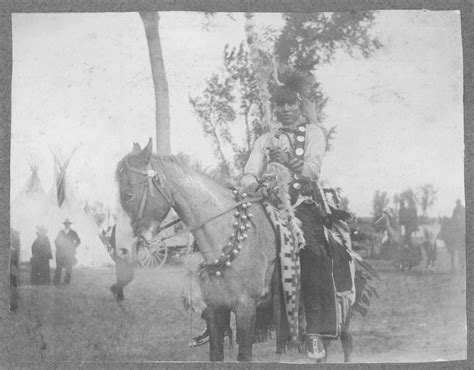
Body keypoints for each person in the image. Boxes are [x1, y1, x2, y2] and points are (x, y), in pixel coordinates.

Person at [241, 69, 336, 360]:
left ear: (300, 104)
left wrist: (289, 161)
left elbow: (312, 171)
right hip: (267, 206)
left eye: (290, 104)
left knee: (310, 253)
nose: (284, 110)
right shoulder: (264, 139)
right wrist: (254, 184)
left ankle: (315, 334)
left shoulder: (313, 133)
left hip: (301, 207)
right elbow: (248, 173)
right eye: (279, 105)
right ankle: (222, 317)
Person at [53, 218, 81, 285]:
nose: (67, 225)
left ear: (70, 225)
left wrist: (73, 247)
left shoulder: (73, 233)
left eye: (68, 224)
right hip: (61, 252)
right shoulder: (61, 232)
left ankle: (67, 281)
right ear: (64, 224)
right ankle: (57, 281)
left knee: (69, 267)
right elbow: (56, 241)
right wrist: (59, 247)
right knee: (59, 266)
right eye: (66, 224)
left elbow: (78, 241)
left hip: (69, 252)